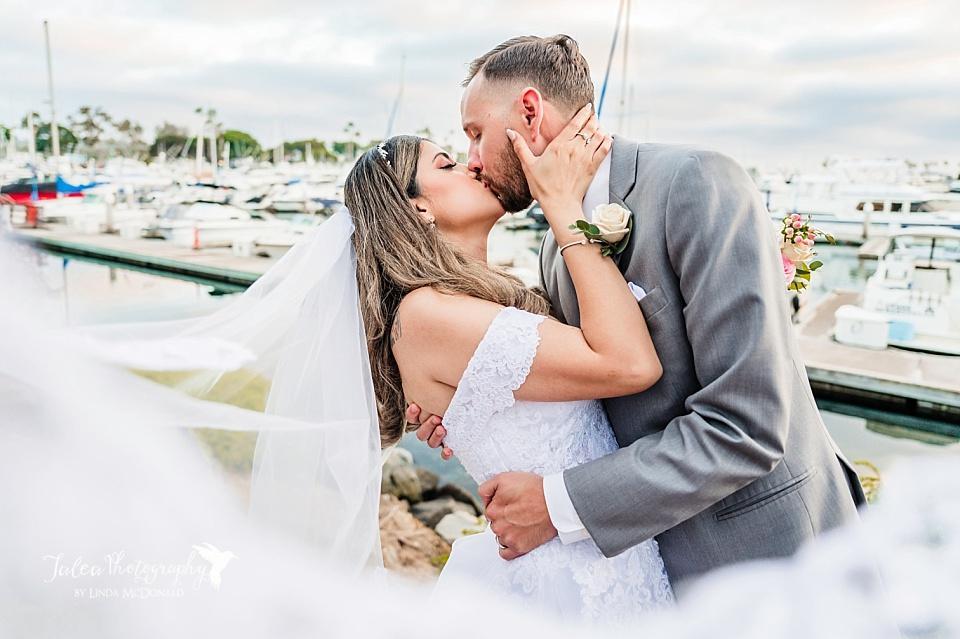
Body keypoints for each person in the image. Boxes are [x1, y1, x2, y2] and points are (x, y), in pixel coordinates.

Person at [409, 34, 866, 596]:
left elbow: (747, 424)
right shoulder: (555, 245)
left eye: (476, 133)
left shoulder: (696, 182)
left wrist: (557, 504)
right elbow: (572, 379)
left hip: (775, 560)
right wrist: (472, 399)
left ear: (529, 111)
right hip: (646, 573)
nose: (473, 160)